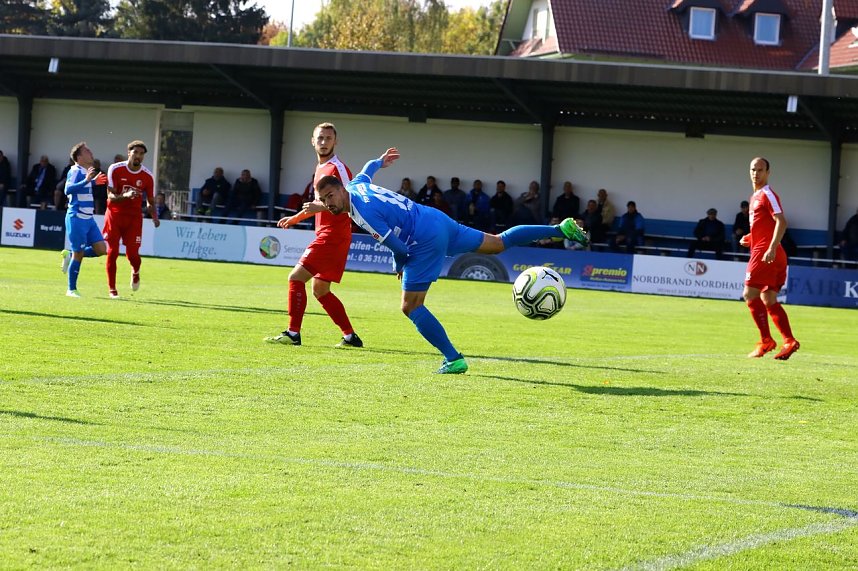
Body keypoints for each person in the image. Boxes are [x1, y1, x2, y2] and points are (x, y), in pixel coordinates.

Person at [314, 147, 589, 374]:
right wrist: (380, 161)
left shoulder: (362, 212)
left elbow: (399, 247)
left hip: (423, 238)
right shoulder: (357, 185)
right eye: (324, 201)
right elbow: (367, 169)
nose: (328, 204)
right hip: (435, 219)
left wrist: (400, 267)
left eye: (330, 197)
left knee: (410, 306)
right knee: (497, 242)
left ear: (340, 189)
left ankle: (453, 358)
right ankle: (559, 229)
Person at [266, 122, 363, 348]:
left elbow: (351, 199)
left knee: (295, 278)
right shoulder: (320, 168)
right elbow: (317, 204)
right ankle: (350, 337)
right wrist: (294, 219)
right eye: (320, 138)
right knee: (320, 289)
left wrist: (319, 209)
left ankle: (292, 333)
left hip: (333, 234)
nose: (323, 142)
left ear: (335, 142)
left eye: (328, 138)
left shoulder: (337, 168)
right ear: (312, 141)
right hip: (330, 234)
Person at [741, 157, 799, 360]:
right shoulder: (755, 196)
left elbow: (781, 221)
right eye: (753, 169)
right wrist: (751, 237)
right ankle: (789, 341)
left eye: (760, 169)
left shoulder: (767, 194)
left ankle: (766, 340)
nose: (756, 173)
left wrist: (771, 247)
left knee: (749, 294)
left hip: (766, 253)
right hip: (771, 252)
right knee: (768, 298)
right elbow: (765, 225)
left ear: (768, 172)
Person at [103, 140, 160, 298]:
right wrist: (126, 195)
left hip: (134, 218)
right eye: (135, 152)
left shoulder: (147, 176)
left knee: (133, 255)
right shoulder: (115, 169)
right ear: (129, 153)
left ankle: (135, 271)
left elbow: (150, 200)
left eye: (141, 154)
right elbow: (111, 196)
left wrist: (154, 216)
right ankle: (112, 290)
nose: (138, 156)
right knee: (112, 252)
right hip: (114, 215)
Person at [59, 142, 108, 297]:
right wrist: (88, 180)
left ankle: (70, 254)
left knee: (101, 249)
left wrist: (93, 182)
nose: (91, 152)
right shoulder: (74, 170)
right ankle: (71, 289)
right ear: (79, 157)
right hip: (77, 218)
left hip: (89, 219)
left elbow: (82, 188)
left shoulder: (84, 171)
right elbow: (67, 189)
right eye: (87, 151)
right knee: (79, 254)